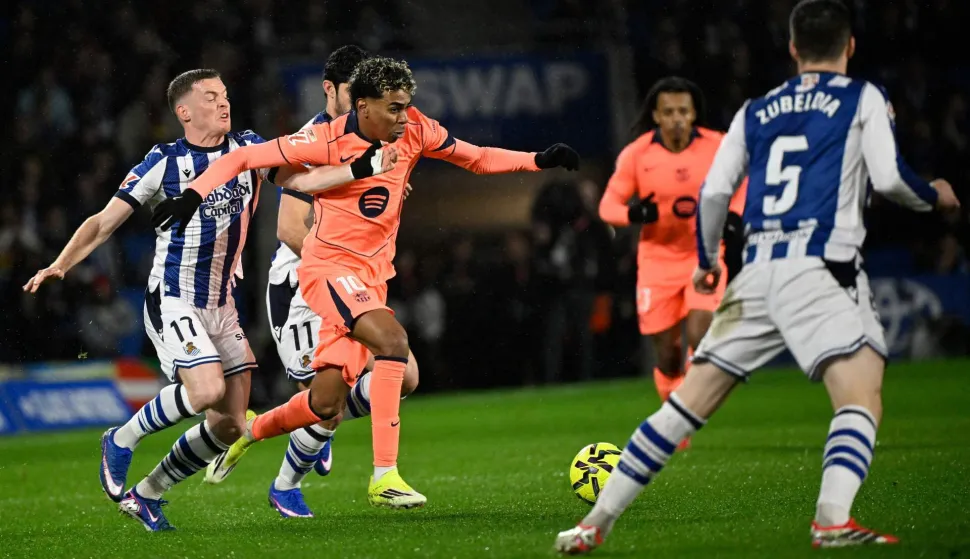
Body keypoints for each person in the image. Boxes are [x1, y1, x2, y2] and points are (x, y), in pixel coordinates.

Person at [554, 0, 961, 552]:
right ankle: (831, 520)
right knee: (861, 397)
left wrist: (708, 261)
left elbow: (714, 194)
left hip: (758, 273)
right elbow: (889, 179)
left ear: (792, 48)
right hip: (821, 267)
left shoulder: (757, 110)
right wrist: (934, 195)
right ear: (850, 46)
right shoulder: (862, 96)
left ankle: (592, 524)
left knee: (684, 407)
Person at [153, 55, 580, 509]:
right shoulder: (324, 139)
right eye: (394, 108)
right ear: (363, 106)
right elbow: (243, 157)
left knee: (325, 403)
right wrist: (193, 195)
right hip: (326, 269)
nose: (404, 116)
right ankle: (384, 476)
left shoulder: (415, 129)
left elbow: (477, 157)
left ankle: (252, 434)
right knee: (394, 343)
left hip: (373, 277)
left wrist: (538, 160)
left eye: (406, 105)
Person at [23, 69, 392, 532]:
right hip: (174, 296)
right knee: (205, 391)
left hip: (222, 303)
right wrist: (61, 263)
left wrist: (363, 173)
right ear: (184, 111)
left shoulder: (247, 148)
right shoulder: (163, 162)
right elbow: (103, 221)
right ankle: (120, 439)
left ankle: (147, 494)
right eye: (211, 96)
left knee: (230, 425)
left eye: (225, 94)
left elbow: (303, 181)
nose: (223, 103)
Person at [205, 45, 421, 519]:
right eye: (355, 91)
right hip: (303, 288)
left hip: (350, 282)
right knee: (330, 404)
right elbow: (289, 229)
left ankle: (271, 427)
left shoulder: (378, 138)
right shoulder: (314, 140)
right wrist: (346, 276)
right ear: (331, 90)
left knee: (402, 376)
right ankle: (286, 486)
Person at [598, 76, 746, 449]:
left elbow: (743, 183)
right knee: (667, 353)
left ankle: (688, 409)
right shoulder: (637, 155)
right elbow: (608, 206)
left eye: (683, 111)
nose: (677, 118)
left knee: (701, 332)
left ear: (694, 113)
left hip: (704, 255)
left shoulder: (718, 145)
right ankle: (673, 417)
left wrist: (734, 215)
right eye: (669, 112)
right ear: (656, 115)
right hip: (657, 261)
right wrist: (633, 214)